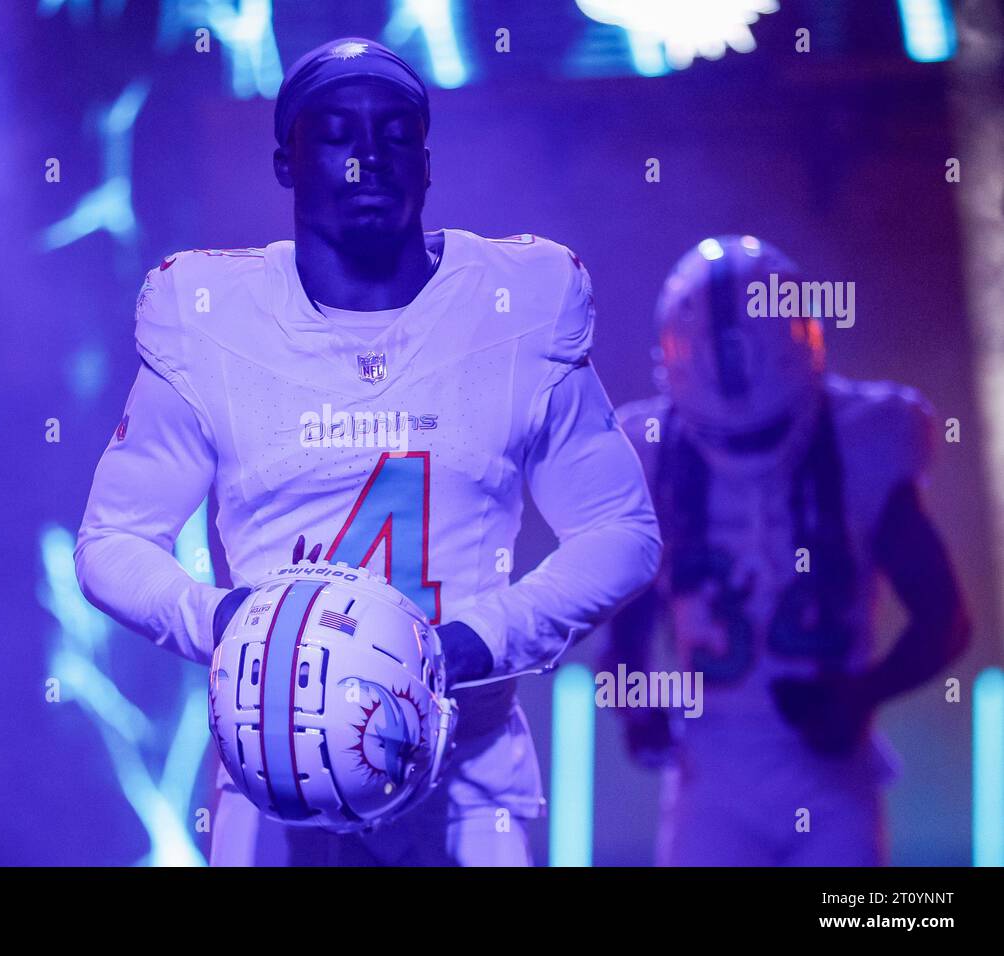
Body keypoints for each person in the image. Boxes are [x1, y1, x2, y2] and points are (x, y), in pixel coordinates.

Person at [75, 37, 660, 866]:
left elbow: (622, 532)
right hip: (276, 785)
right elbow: (110, 543)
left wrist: (482, 639)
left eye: (394, 133)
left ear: (426, 162)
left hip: (469, 775)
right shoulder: (208, 315)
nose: (368, 157)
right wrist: (222, 621)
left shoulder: (518, 305)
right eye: (337, 132)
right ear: (286, 161)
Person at [609, 235, 971, 866]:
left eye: (768, 430)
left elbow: (946, 618)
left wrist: (861, 693)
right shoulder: (654, 448)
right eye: (723, 435)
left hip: (828, 776)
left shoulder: (864, 438)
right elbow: (625, 616)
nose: (748, 454)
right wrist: (635, 700)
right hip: (710, 770)